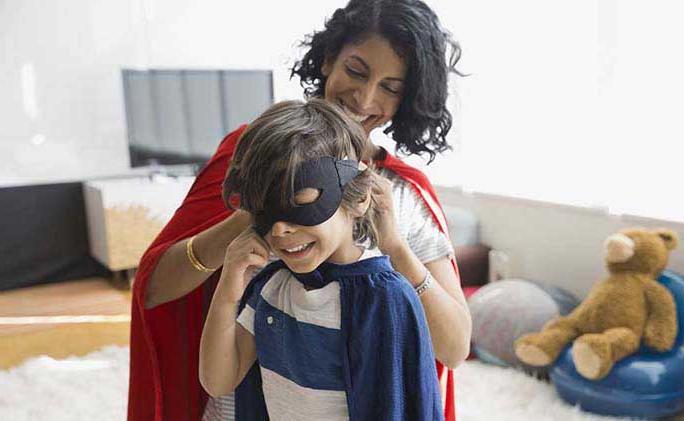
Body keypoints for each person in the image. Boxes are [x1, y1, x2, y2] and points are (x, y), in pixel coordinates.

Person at [128, 1, 470, 420]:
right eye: (357, 71)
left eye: (390, 87)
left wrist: (397, 249)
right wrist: (255, 210)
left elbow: (453, 349)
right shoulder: (254, 155)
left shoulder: (401, 194)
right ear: (329, 60)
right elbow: (155, 289)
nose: (364, 98)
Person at [199, 99, 444, 421]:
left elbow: (402, 405)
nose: (280, 229)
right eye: (265, 211)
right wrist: (228, 291)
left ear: (357, 198)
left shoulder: (384, 298)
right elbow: (218, 381)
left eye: (299, 203)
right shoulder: (273, 285)